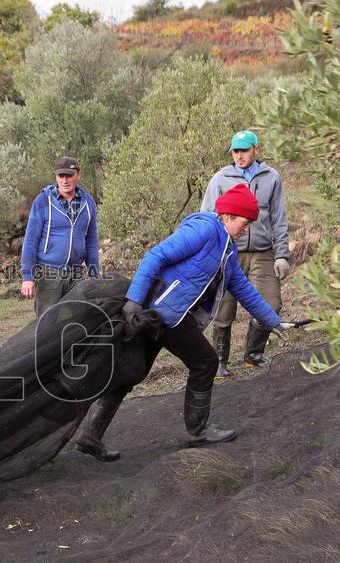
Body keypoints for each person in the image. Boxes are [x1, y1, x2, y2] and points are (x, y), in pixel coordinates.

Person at [83, 184, 292, 453]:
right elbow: (155, 256)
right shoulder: (204, 229)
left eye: (250, 223)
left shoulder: (227, 250)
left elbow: (244, 289)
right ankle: (198, 432)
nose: (247, 228)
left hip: (165, 315)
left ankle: (90, 436)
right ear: (228, 215)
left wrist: (272, 321)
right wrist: (133, 302)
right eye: (245, 221)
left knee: (131, 371)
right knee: (205, 362)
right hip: (162, 313)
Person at [201, 130, 291, 377]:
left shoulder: (271, 177)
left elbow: (279, 218)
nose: (239, 156)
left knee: (271, 304)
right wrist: (209, 254)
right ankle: (219, 361)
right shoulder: (220, 178)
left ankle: (253, 355)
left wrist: (282, 254)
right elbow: (207, 216)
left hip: (263, 252)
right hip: (229, 252)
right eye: (235, 151)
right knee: (223, 309)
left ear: (256, 150)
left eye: (244, 150)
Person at [20, 156, 100, 318]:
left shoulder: (88, 203)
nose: (64, 180)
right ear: (56, 177)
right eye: (60, 176)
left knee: (80, 321)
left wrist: (94, 274)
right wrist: (27, 276)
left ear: (78, 175)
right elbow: (30, 241)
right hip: (48, 274)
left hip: (76, 273)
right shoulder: (43, 201)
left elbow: (91, 241)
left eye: (69, 175)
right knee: (46, 325)